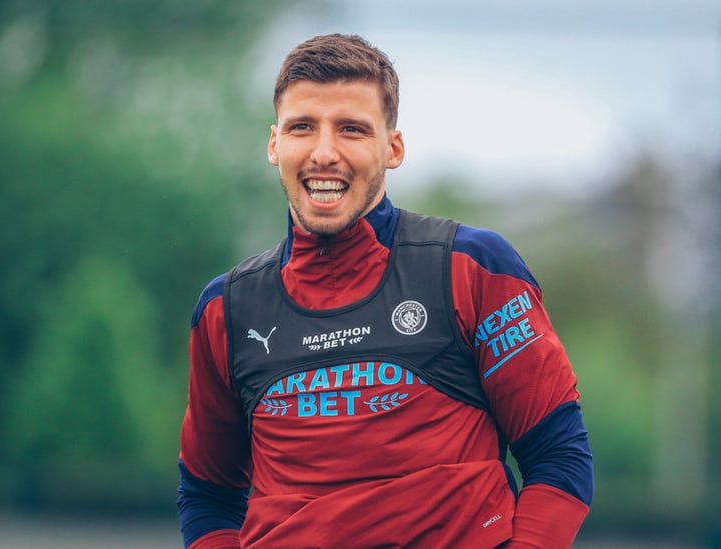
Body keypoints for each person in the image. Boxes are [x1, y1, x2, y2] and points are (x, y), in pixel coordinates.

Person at [177, 33, 594, 548]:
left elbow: (560, 458)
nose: (324, 152)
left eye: (352, 129)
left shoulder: (473, 269)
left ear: (392, 148)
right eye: (302, 127)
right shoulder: (228, 309)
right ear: (274, 144)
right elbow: (206, 495)